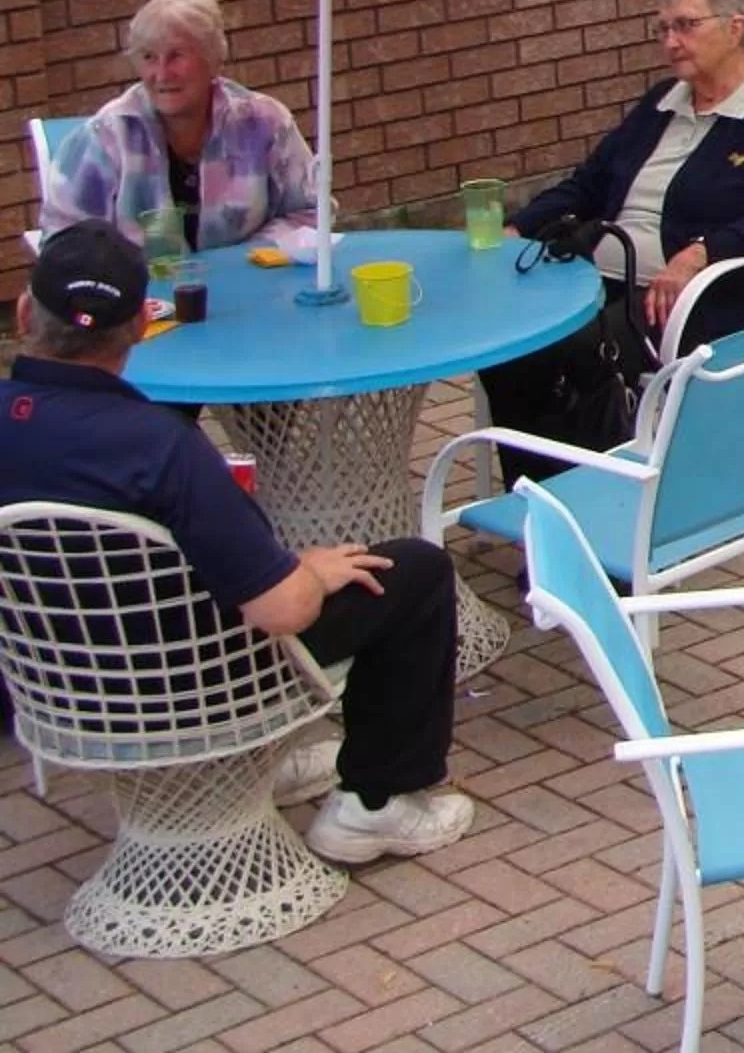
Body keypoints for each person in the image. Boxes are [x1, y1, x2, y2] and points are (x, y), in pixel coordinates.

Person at [0, 223, 476, 862]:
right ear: (143, 324)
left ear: (25, 311)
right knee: (411, 569)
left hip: (49, 684)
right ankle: (374, 805)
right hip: (195, 687)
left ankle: (266, 766)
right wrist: (308, 570)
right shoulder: (158, 445)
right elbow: (283, 611)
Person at [510, 0, 744, 350]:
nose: (670, 42)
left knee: (566, 350)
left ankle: (613, 412)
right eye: (663, 29)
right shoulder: (661, 102)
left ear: (735, 28)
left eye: (686, 25)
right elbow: (589, 183)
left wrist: (700, 253)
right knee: (510, 340)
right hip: (599, 280)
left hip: (702, 299)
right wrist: (517, 228)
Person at [44, 0, 318, 253]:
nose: (162, 74)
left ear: (213, 59)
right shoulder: (106, 137)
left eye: (176, 56)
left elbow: (311, 212)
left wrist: (240, 261)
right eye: (149, 57)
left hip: (250, 284)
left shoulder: (264, 123)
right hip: (142, 294)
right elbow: (62, 244)